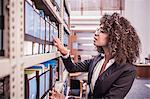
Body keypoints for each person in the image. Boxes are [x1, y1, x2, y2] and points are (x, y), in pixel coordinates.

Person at [50, 13, 141, 99]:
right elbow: (72, 68)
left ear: (115, 37)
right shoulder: (98, 59)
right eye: (98, 30)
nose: (96, 33)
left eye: (102, 31)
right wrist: (64, 52)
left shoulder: (127, 70)